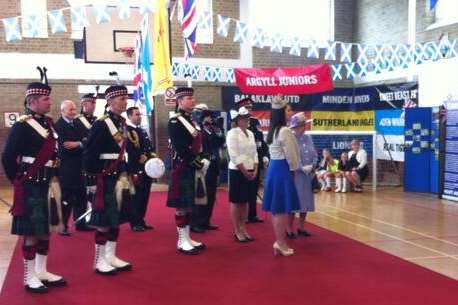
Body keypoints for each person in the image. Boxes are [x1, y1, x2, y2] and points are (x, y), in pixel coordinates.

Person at [1, 68, 66, 293]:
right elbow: (8, 156)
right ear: (32, 101)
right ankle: (29, 276)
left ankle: (41, 271)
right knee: (30, 232)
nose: (50, 102)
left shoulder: (49, 124)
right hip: (31, 184)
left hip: (48, 184)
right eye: (46, 99)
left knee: (44, 229)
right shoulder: (22, 125)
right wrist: (17, 180)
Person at [83, 85, 133, 275]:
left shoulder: (121, 122)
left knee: (115, 218)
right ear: (110, 101)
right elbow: (89, 154)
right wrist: (92, 181)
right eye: (121, 99)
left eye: (125, 98)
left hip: (118, 174)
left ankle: (110, 256)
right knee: (104, 221)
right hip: (104, 175)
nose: (125, 102)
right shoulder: (102, 124)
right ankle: (99, 261)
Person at [167, 87, 209, 255]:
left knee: (189, 204)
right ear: (180, 101)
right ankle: (181, 240)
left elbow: (197, 144)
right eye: (188, 98)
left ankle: (187, 237)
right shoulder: (175, 121)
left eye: (192, 98)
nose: (192, 101)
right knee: (181, 206)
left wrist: (203, 157)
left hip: (191, 167)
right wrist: (197, 163)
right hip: (182, 167)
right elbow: (181, 147)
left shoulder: (191, 120)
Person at [262, 96, 300, 256]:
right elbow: (291, 156)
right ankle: (280, 242)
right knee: (281, 209)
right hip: (282, 168)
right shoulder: (284, 131)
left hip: (274, 168)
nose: (291, 112)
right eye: (288, 109)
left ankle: (280, 242)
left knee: (278, 209)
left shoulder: (273, 130)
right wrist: (294, 169)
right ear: (281, 112)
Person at [54, 100, 92, 235]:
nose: (74, 112)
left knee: (81, 196)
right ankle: (62, 226)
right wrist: (82, 143)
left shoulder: (78, 123)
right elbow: (65, 147)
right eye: (71, 110)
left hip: (80, 166)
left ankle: (80, 222)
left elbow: (89, 138)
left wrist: (79, 144)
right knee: (66, 198)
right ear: (62, 111)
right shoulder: (58, 126)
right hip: (67, 168)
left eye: (75, 109)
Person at [189, 104, 225, 233]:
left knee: (211, 195)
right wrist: (204, 125)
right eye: (205, 114)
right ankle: (195, 222)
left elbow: (220, 142)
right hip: (201, 166)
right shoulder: (196, 128)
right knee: (200, 194)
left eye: (209, 115)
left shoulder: (211, 129)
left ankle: (206, 221)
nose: (209, 118)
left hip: (213, 165)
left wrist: (217, 129)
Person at [226, 107, 258, 242]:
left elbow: (255, 152)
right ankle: (237, 230)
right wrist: (244, 171)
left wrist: (255, 168)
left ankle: (243, 227)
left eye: (248, 118)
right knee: (236, 201)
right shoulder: (232, 133)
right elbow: (233, 154)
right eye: (244, 118)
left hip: (250, 170)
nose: (247, 120)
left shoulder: (250, 133)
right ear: (238, 120)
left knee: (245, 201)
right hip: (237, 171)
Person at [235, 97, 268, 223]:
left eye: (250, 107)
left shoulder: (254, 121)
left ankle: (252, 214)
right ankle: (242, 216)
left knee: (254, 188)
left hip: (256, 158)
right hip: (243, 160)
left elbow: (261, 141)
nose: (250, 110)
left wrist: (265, 155)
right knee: (244, 190)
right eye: (247, 107)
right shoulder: (237, 122)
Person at [126, 106, 156, 232]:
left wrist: (151, 157)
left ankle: (141, 220)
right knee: (136, 196)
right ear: (129, 116)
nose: (139, 116)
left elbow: (149, 148)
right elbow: (129, 149)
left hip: (146, 168)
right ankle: (135, 222)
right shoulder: (127, 130)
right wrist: (139, 156)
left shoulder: (142, 130)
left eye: (140, 114)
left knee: (144, 195)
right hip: (135, 168)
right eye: (136, 114)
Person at [287, 113, 317, 238]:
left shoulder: (308, 138)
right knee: (294, 203)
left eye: (304, 125)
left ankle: (302, 227)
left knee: (306, 202)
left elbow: (315, 154)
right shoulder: (290, 139)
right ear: (295, 127)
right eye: (300, 125)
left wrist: (313, 165)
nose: (303, 127)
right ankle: (289, 229)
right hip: (295, 176)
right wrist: (300, 167)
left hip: (308, 176)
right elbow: (290, 157)